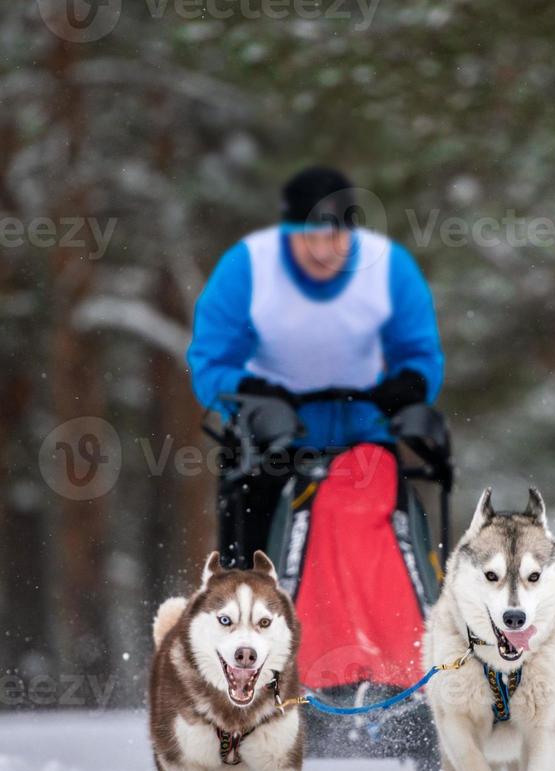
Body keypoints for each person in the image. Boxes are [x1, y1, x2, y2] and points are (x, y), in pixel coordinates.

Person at [187, 166, 445, 564]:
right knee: (255, 568)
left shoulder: (390, 268)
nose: (324, 250)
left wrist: (410, 386)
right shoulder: (248, 267)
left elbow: (419, 352)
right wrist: (251, 398)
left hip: (364, 443)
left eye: (336, 236)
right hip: (269, 445)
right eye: (311, 237)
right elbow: (210, 359)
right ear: (288, 233)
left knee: (378, 565)